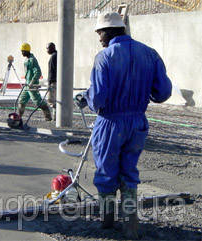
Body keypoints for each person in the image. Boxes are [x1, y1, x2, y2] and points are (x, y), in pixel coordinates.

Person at [83, 12, 172, 239]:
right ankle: (131, 224)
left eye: (100, 32)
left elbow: (98, 99)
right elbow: (162, 93)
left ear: (110, 31)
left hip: (110, 122)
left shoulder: (104, 57)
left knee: (106, 171)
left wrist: (87, 98)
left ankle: (107, 220)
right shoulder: (150, 54)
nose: (99, 38)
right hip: (138, 122)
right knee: (129, 171)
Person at [18, 43, 52, 121]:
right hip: (27, 85)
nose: (22, 53)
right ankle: (19, 117)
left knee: (38, 101)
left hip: (32, 85)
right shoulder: (27, 59)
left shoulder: (32, 60)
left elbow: (38, 72)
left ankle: (48, 116)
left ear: (26, 51)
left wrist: (32, 82)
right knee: (21, 100)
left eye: (23, 51)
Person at [46, 42, 57, 120]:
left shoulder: (54, 57)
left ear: (52, 48)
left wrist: (50, 82)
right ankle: (55, 117)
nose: (46, 50)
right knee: (55, 100)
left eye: (47, 48)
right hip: (55, 81)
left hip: (53, 81)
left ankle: (55, 117)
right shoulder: (56, 56)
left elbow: (52, 71)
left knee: (51, 100)